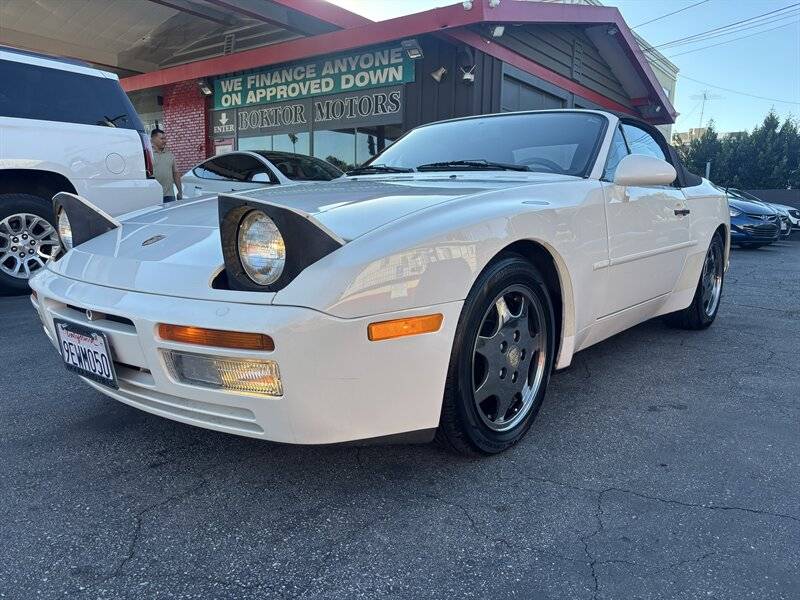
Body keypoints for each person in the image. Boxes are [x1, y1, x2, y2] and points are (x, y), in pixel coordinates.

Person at [150, 128, 182, 203]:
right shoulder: (148, 154)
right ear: (153, 140)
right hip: (153, 195)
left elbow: (176, 173)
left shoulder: (169, 154)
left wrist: (180, 192)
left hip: (169, 195)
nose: (165, 141)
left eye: (165, 138)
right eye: (162, 139)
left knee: (171, 215)